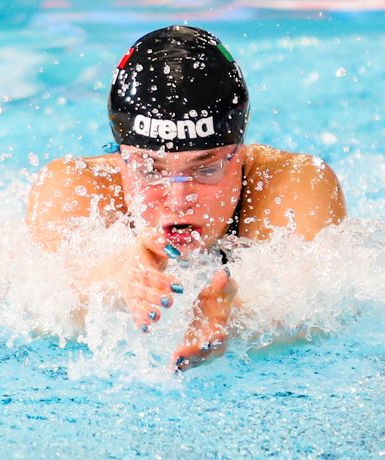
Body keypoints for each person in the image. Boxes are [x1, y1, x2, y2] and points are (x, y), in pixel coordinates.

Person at [25, 25, 346, 371]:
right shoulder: (74, 187)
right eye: (150, 170)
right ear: (120, 158)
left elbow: (325, 308)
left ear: (240, 154)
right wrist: (114, 275)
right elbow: (34, 305)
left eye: (205, 170)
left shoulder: (293, 184)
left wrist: (237, 318)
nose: (178, 200)